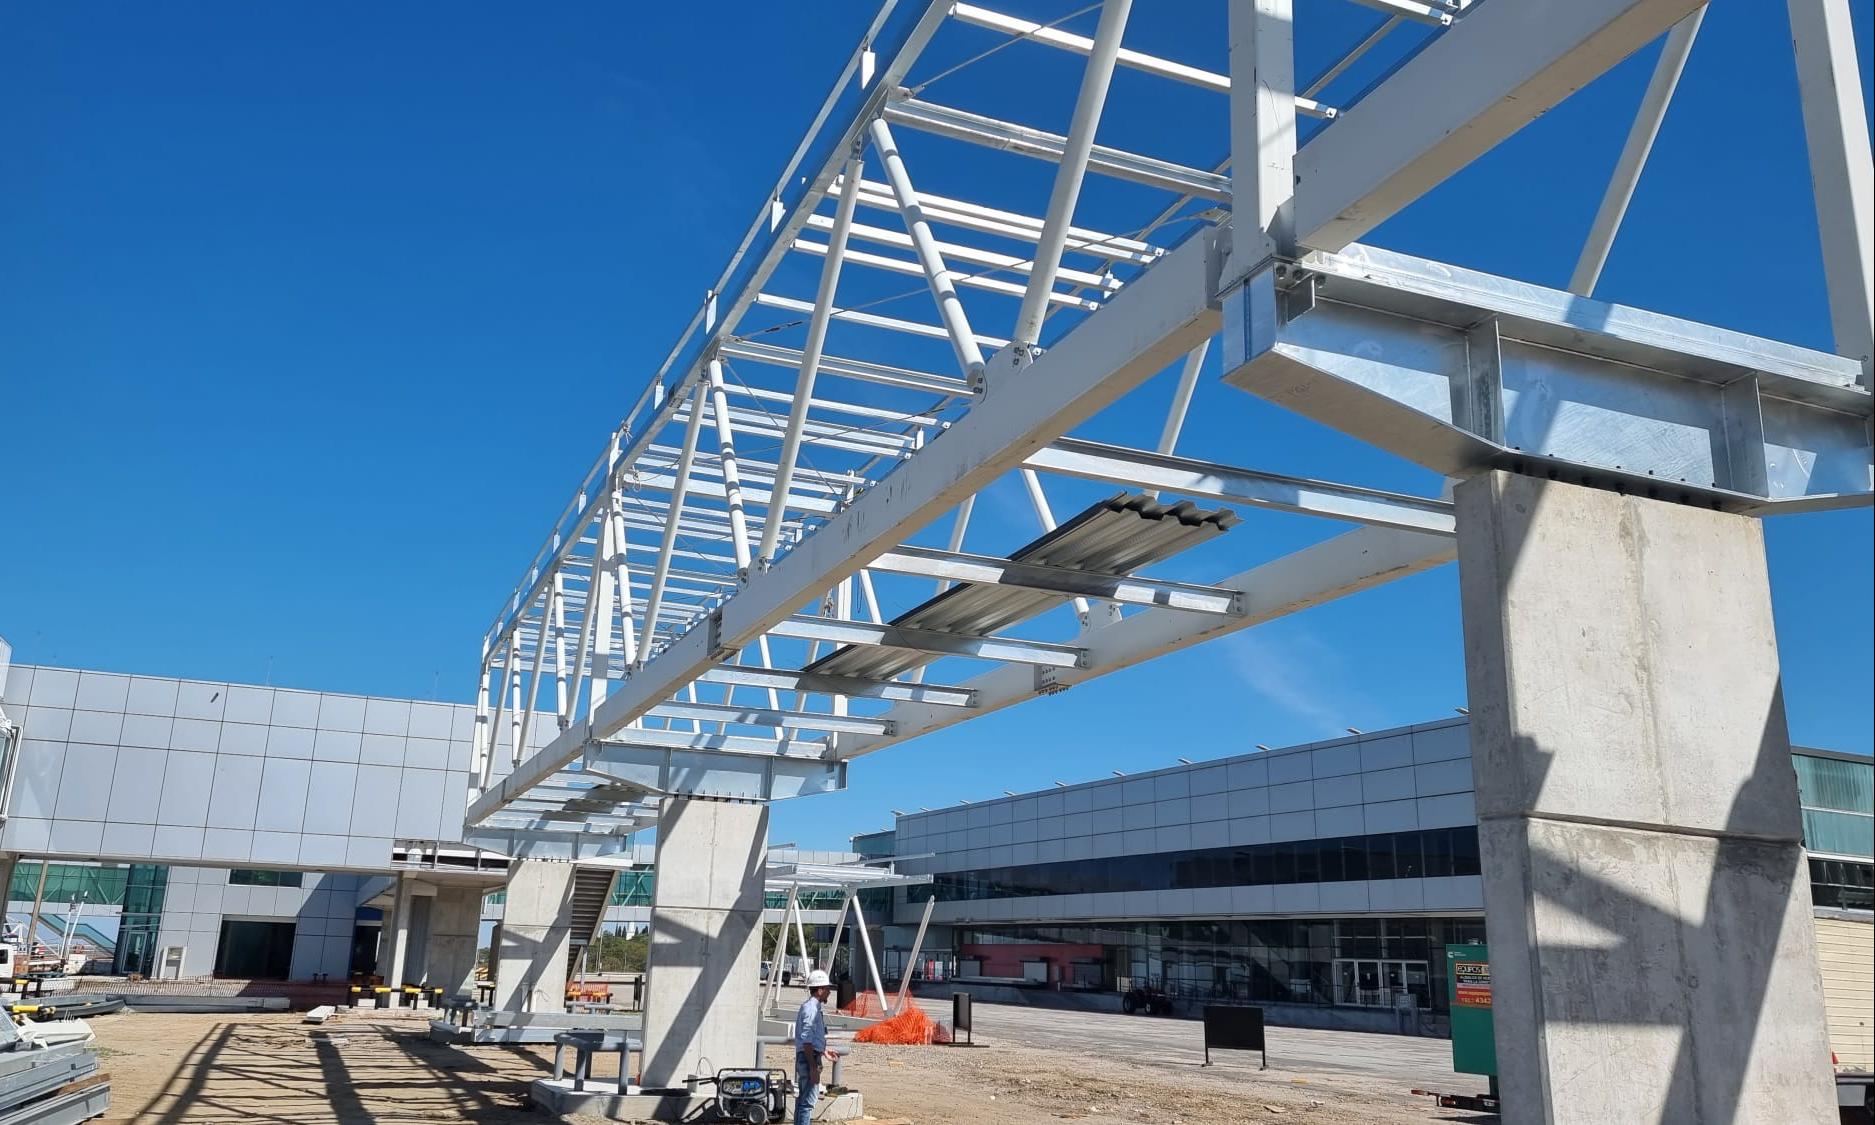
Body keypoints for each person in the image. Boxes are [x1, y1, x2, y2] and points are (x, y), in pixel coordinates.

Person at [793, 969, 838, 1125]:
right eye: (827, 989)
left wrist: (823, 1051)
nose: (829, 992)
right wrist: (813, 1066)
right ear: (820, 990)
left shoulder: (810, 1007)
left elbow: (809, 1038)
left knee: (802, 1100)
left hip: (807, 1056)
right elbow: (806, 1040)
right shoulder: (812, 1009)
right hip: (809, 1059)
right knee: (808, 1102)